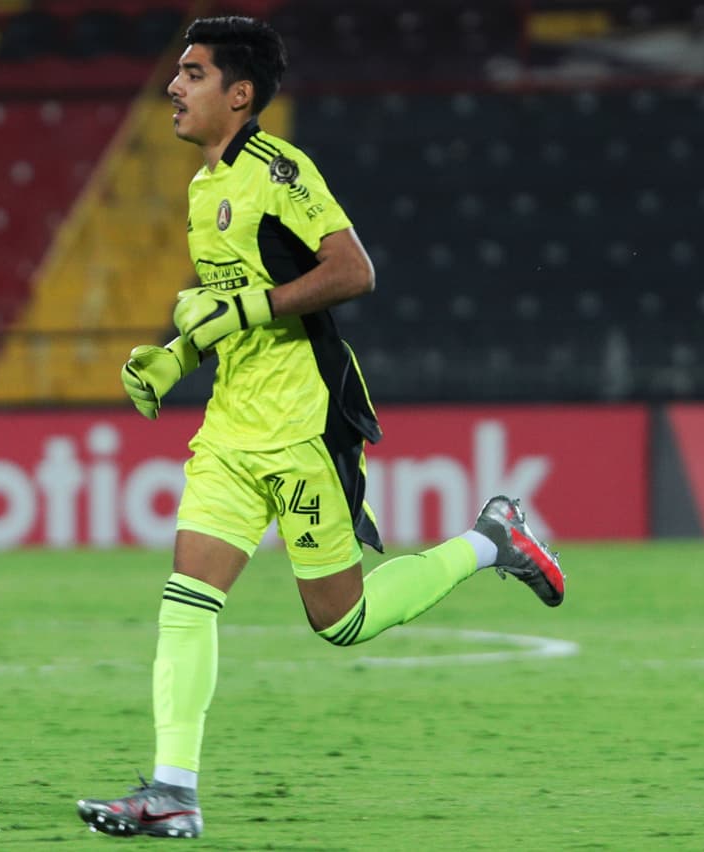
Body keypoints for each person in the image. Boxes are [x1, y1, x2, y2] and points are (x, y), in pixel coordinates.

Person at [76, 16, 565, 840]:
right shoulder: (202, 188)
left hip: (304, 423)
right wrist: (174, 356)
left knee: (340, 621)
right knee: (186, 600)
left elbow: (352, 271)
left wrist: (244, 307)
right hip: (231, 427)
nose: (174, 86)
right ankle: (172, 791)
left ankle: (491, 538)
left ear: (239, 94)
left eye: (192, 75)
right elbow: (233, 307)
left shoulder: (281, 170)